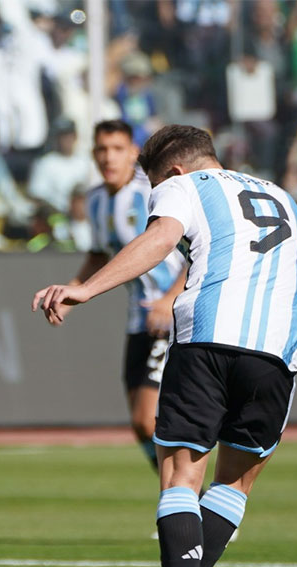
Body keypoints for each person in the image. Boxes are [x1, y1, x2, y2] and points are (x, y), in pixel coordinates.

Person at [33, 124, 297, 567]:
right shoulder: (283, 200)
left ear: (174, 171)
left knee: (181, 478)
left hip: (205, 338)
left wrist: (84, 289)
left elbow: (160, 240)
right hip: (276, 357)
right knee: (233, 483)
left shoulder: (184, 185)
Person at [74, 119, 186, 472]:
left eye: (118, 149)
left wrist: (169, 300)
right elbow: (98, 254)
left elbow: (195, 251)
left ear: (134, 153)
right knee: (141, 425)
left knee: (147, 418)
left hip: (171, 314)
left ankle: (190, 498)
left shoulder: (152, 193)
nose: (109, 157)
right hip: (139, 318)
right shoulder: (94, 201)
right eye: (102, 149)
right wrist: (74, 291)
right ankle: (185, 499)